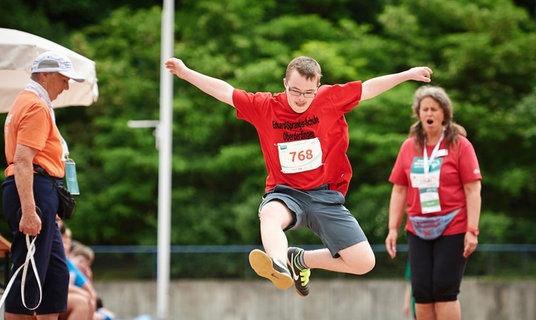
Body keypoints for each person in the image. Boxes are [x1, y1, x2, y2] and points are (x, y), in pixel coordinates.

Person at [165, 55, 433, 297]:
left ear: (318, 87)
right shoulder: (265, 106)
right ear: (285, 83)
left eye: (308, 92)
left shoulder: (329, 99)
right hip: (286, 193)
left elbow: (368, 88)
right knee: (269, 214)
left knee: (364, 262)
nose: (301, 98)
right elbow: (225, 91)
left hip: (325, 194)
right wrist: (186, 72)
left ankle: (300, 260)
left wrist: (406, 74)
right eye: (295, 91)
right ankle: (279, 263)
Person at [385, 85, 482, 319]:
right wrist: (392, 229)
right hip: (417, 227)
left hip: (453, 225)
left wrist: (472, 230)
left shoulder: (460, 145)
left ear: (444, 113)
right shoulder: (409, 146)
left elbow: (473, 189)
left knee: (444, 290)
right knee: (422, 291)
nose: (429, 114)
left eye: (434, 109)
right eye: (425, 109)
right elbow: (399, 190)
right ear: (418, 113)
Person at [2, 51, 84, 319]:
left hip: (39, 188)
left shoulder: (30, 102)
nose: (67, 85)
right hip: (33, 187)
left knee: (55, 275)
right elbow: (23, 160)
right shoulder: (35, 105)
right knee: (30, 273)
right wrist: (29, 209)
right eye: (64, 79)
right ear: (46, 75)